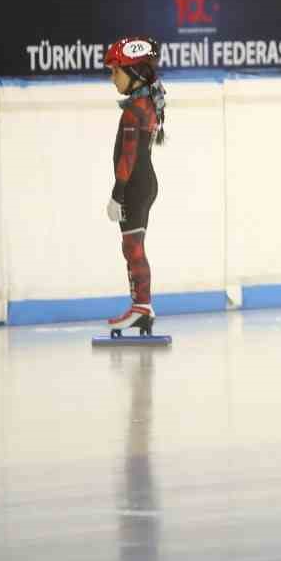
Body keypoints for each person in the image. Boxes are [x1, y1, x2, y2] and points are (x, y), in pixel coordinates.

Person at [102, 36, 168, 338]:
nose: (112, 78)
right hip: (145, 183)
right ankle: (141, 307)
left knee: (133, 248)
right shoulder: (147, 104)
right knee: (133, 247)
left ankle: (141, 307)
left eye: (115, 71)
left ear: (134, 73)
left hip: (135, 186)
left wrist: (117, 193)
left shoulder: (133, 110)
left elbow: (129, 156)